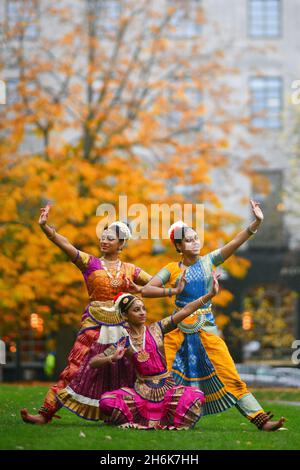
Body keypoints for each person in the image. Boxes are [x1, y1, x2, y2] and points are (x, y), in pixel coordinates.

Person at [130, 200, 285, 431]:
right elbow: (147, 290)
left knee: (229, 373)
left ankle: (261, 420)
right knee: (163, 377)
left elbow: (234, 243)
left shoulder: (209, 261)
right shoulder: (172, 269)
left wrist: (256, 222)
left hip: (206, 328)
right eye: (189, 239)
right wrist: (174, 290)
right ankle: (149, 417)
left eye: (196, 238)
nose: (195, 242)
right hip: (176, 330)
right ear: (179, 246)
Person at [21, 205, 152, 424]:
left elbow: (154, 283)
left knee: (127, 370)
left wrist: (176, 286)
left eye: (110, 238)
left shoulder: (131, 270)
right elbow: (65, 245)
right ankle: (45, 413)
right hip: (94, 324)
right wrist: (46, 228)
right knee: (75, 367)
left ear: (121, 244)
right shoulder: (89, 263)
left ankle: (130, 414)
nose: (104, 241)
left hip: (122, 327)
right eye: (103, 237)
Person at [95, 273, 219, 429]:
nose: (142, 313)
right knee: (107, 401)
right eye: (136, 310)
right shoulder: (124, 342)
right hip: (141, 394)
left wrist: (210, 294)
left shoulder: (157, 329)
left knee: (195, 396)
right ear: (125, 315)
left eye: (143, 309)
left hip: (167, 391)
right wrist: (111, 358)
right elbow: (94, 362)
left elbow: (185, 311)